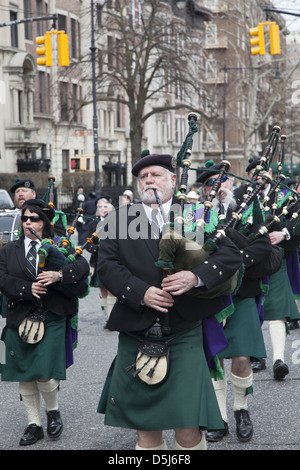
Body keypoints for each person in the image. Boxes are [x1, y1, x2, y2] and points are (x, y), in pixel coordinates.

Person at [96, 152, 243, 450]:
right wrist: (141, 292)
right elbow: (107, 266)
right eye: (143, 177)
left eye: (156, 175)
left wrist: (195, 277)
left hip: (184, 328)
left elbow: (229, 255)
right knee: (146, 432)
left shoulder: (195, 214)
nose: (149, 180)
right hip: (137, 331)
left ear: (174, 180)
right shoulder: (119, 219)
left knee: (188, 430)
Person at [197, 163, 281, 443]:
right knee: (215, 358)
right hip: (209, 296)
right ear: (204, 190)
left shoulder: (250, 211)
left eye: (222, 182)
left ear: (231, 186)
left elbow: (263, 246)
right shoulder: (195, 215)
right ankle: (218, 416)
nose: (217, 188)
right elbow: (188, 252)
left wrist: (231, 263)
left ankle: (241, 410)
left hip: (242, 293)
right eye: (210, 184)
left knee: (242, 355)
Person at [0, 199, 89, 446]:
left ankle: (53, 410)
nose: (29, 222)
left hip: (52, 316)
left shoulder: (61, 245)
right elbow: (2, 278)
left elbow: (82, 268)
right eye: (25, 218)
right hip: (20, 316)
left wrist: (58, 274)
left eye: (35, 219)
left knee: (45, 374)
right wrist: (27, 288)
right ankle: (33, 424)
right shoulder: (9, 250)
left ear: (45, 223)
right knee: (24, 373)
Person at [89, 198, 116, 319]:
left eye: (105, 207)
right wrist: (96, 248)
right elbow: (87, 242)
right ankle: (108, 317)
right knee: (103, 290)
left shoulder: (115, 222)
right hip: (98, 260)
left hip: (112, 259)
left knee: (111, 288)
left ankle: (112, 318)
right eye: (100, 207)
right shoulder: (92, 223)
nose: (103, 209)